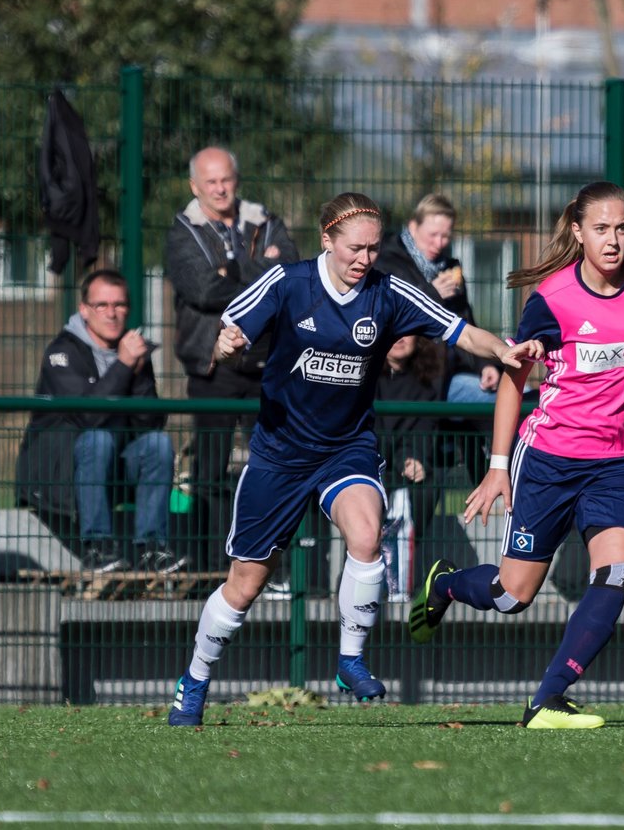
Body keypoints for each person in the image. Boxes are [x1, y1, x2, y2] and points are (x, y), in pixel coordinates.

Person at [167, 193, 540, 726]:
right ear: (327, 240)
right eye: (354, 248)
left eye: (371, 247)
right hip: (280, 452)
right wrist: (229, 340)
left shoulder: (387, 292)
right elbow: (235, 323)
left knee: (367, 536)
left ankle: (350, 659)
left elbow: (459, 330)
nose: (365, 258)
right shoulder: (290, 282)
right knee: (246, 583)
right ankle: (195, 679)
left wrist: (503, 350)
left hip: (346, 448)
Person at [408, 180, 624, 730]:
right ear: (579, 232)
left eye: (622, 228)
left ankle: (548, 699)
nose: (613, 240)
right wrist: (495, 467)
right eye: (601, 229)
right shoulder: (553, 299)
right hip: (550, 459)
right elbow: (514, 381)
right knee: (512, 597)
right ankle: (443, 583)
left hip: (617, 462)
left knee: (616, 574)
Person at [165, 146, 300, 572]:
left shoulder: (265, 220)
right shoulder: (183, 230)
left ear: (236, 179)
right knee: (209, 467)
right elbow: (201, 290)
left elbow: (292, 271)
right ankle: (208, 564)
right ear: (195, 186)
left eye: (226, 179)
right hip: (213, 365)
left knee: (275, 465)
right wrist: (262, 270)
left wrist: (233, 269)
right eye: (211, 182)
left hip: (269, 364)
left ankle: (268, 564)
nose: (220, 188)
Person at [15, 268, 177, 573]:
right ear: (84, 310)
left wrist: (138, 371)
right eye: (102, 305)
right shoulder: (61, 353)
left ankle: (152, 549)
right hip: (62, 474)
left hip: (113, 468)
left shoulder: (132, 350)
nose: (112, 314)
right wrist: (124, 365)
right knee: (97, 438)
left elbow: (150, 422)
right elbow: (87, 415)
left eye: (119, 305)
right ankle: (98, 547)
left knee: (158, 444)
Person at [374, 193, 501, 481]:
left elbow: (467, 323)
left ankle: (492, 481)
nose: (439, 243)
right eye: (433, 234)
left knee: (496, 399)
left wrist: (486, 366)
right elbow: (394, 313)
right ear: (413, 227)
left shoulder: (450, 268)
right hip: (414, 377)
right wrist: (433, 293)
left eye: (446, 236)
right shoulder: (387, 262)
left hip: (451, 371)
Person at [375, 334, 446, 601]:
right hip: (371, 462)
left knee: (428, 485)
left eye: (407, 332)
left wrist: (415, 459)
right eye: (394, 332)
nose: (400, 339)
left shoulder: (427, 381)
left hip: (405, 466)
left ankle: (401, 581)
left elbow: (426, 429)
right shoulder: (367, 378)